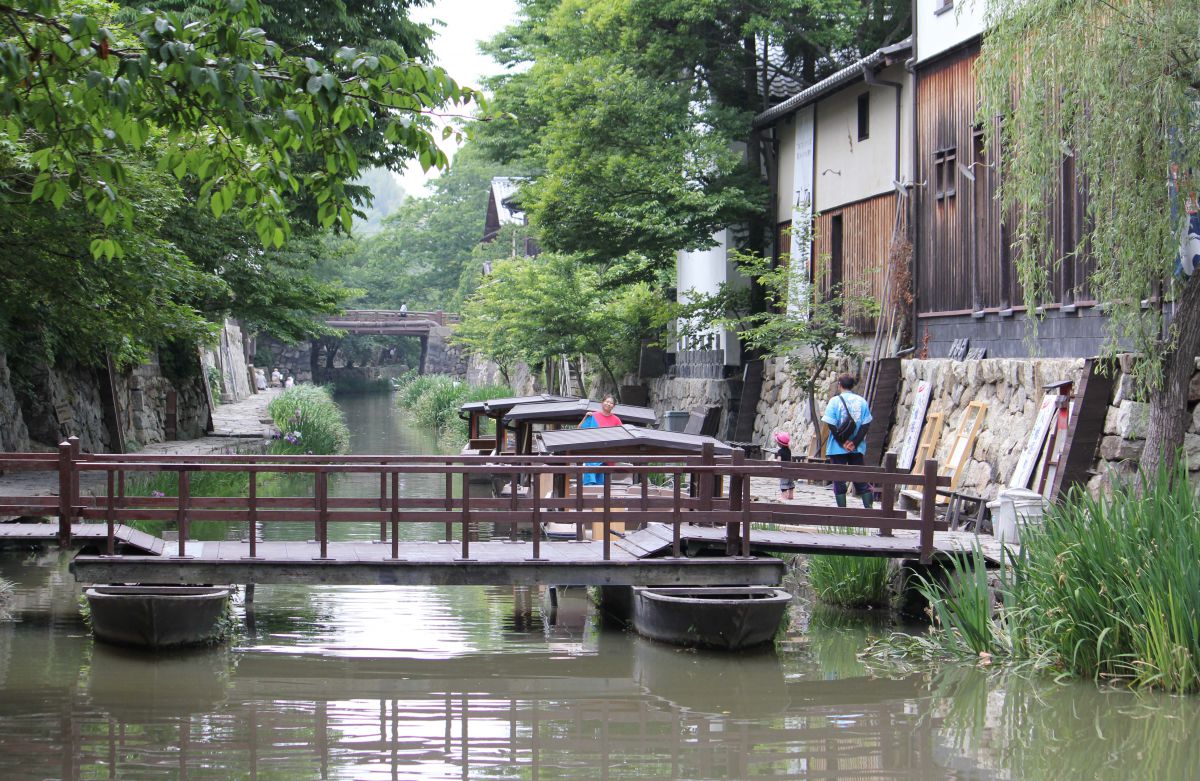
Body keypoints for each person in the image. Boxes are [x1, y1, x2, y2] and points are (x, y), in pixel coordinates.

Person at [821, 373, 874, 508]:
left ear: (839, 385)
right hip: (856, 447)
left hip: (837, 448)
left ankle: (842, 511)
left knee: (838, 478)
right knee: (860, 478)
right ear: (853, 385)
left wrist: (842, 442)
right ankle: (869, 510)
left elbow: (831, 425)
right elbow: (865, 425)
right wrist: (854, 442)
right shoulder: (862, 401)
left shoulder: (835, 401)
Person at [580, 394, 622, 485]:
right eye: (607, 401)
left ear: (614, 406)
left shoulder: (616, 420)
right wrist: (585, 417)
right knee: (590, 483)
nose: (608, 404)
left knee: (604, 484)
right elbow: (580, 429)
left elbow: (621, 436)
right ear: (602, 402)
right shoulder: (593, 416)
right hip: (593, 453)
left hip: (608, 454)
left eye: (611, 403)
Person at [774, 431, 794, 500]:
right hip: (790, 470)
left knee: (784, 484)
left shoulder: (780, 451)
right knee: (790, 484)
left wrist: (776, 462)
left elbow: (779, 461)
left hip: (784, 471)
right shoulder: (789, 450)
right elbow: (790, 459)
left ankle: (784, 497)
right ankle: (790, 495)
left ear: (779, 443)